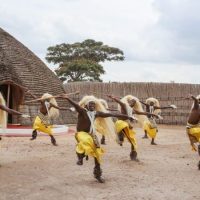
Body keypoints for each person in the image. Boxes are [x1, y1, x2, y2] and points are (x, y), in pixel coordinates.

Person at [61, 95, 134, 183]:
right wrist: (68, 98)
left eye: (93, 105)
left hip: (92, 134)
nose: (92, 106)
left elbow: (111, 114)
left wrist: (128, 116)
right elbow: (76, 105)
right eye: (90, 104)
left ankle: (98, 174)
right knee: (86, 140)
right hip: (81, 134)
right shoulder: (82, 111)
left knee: (97, 154)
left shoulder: (96, 113)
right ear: (86, 105)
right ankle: (80, 156)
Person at [107, 95, 158, 161]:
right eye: (132, 101)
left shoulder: (132, 109)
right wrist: (113, 97)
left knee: (133, 140)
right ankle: (120, 136)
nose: (133, 103)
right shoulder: (124, 105)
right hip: (120, 123)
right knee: (123, 125)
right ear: (129, 101)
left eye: (134, 102)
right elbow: (119, 102)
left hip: (127, 124)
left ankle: (133, 154)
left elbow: (141, 112)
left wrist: (153, 114)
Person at [186, 94, 200, 169]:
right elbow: (196, 100)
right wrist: (192, 97)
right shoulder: (196, 106)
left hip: (196, 128)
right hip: (191, 128)